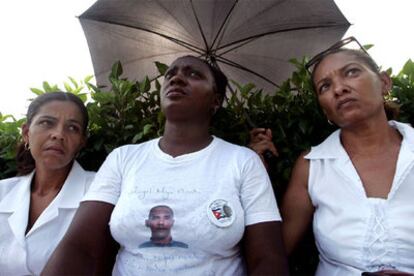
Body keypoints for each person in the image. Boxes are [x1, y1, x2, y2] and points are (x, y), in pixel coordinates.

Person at [42, 55, 289, 275]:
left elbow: (268, 259)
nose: (177, 78)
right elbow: (80, 247)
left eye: (194, 74)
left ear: (215, 101)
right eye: (170, 74)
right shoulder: (124, 158)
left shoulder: (243, 161)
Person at [249, 37, 414, 275]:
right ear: (324, 108)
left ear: (384, 83)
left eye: (351, 72)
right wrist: (255, 169)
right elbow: (275, 253)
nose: (339, 89)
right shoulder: (311, 165)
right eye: (325, 86)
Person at [0, 92, 95, 275]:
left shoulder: (100, 192)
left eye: (72, 128)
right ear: (27, 133)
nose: (58, 134)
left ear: (82, 141)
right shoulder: (3, 191)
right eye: (47, 123)